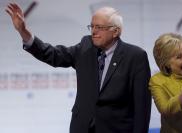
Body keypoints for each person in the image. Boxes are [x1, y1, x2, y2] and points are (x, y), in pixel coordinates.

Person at [6, 3, 151, 133]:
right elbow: (52, 54)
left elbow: (142, 107)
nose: (93, 31)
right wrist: (23, 31)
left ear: (116, 31)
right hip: (82, 127)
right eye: (92, 26)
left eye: (99, 27)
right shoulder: (86, 46)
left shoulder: (136, 57)